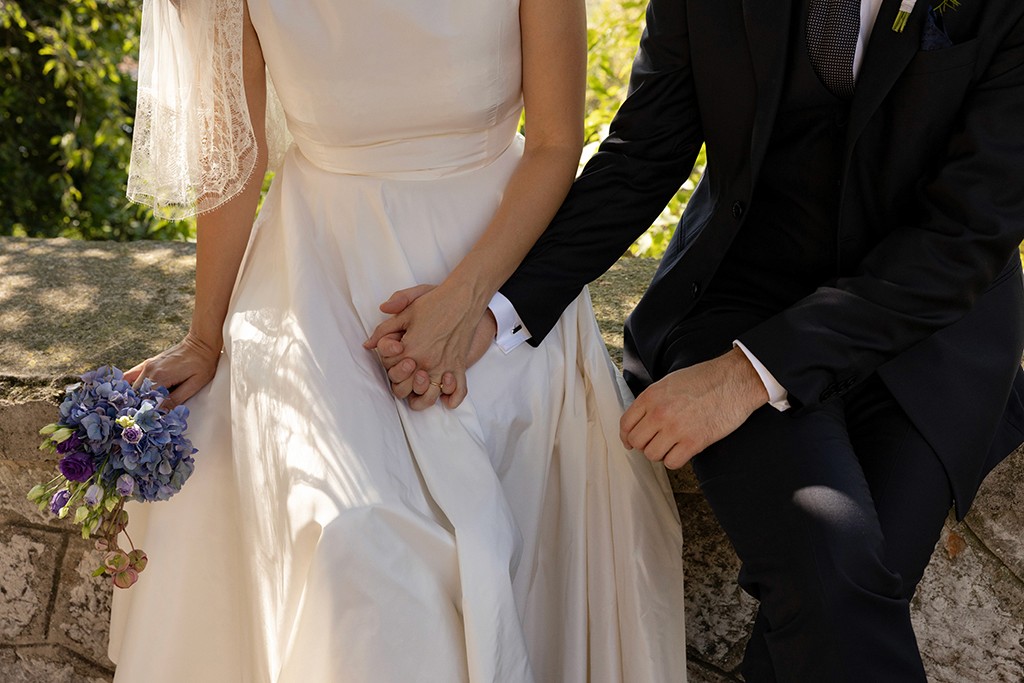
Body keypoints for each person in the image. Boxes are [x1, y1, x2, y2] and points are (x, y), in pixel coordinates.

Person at [370, 0, 1024, 680]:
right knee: (834, 570)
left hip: (927, 335)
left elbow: (963, 239)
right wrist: (492, 309)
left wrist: (744, 377)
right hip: (737, 302)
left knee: (836, 593)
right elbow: (643, 156)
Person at [107, 0, 686, 681]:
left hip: (497, 260)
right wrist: (205, 337)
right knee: (351, 538)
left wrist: (469, 304)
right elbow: (237, 153)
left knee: (489, 499)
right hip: (313, 270)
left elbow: (558, 143)